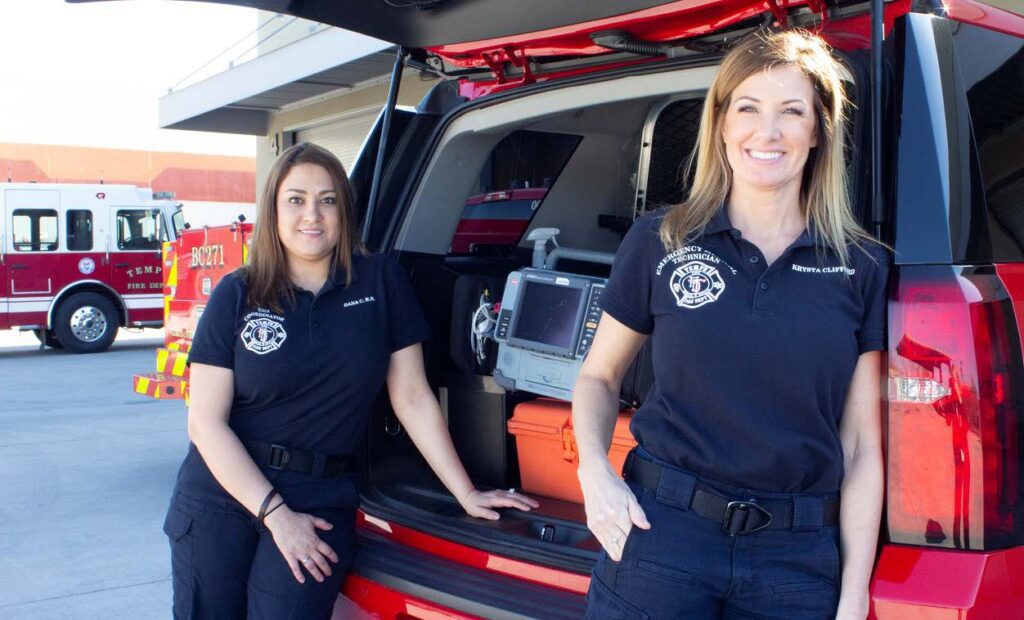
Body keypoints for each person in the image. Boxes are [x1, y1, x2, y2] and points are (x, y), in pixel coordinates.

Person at [574, 30, 888, 619]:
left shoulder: (863, 266)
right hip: (661, 534)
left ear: (819, 130)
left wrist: (852, 593)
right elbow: (598, 377)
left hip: (795, 561)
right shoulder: (660, 240)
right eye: (747, 108)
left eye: (791, 112)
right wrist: (594, 474)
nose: (766, 132)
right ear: (720, 124)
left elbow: (864, 446)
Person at [162, 142, 538, 619]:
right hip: (221, 492)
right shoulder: (238, 293)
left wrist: (464, 491)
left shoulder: (381, 282)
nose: (311, 215)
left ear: (344, 209)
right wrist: (275, 514)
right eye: (295, 199)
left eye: (327, 199)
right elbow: (206, 426)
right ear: (273, 209)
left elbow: (413, 396)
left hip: (319, 496)